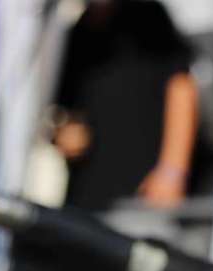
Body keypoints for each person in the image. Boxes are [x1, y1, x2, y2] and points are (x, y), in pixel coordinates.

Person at [52, 0, 198, 212]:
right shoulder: (76, 33)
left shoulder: (149, 16)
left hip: (142, 199)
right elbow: (65, 114)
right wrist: (63, 136)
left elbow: (182, 89)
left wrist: (172, 172)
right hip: (87, 198)